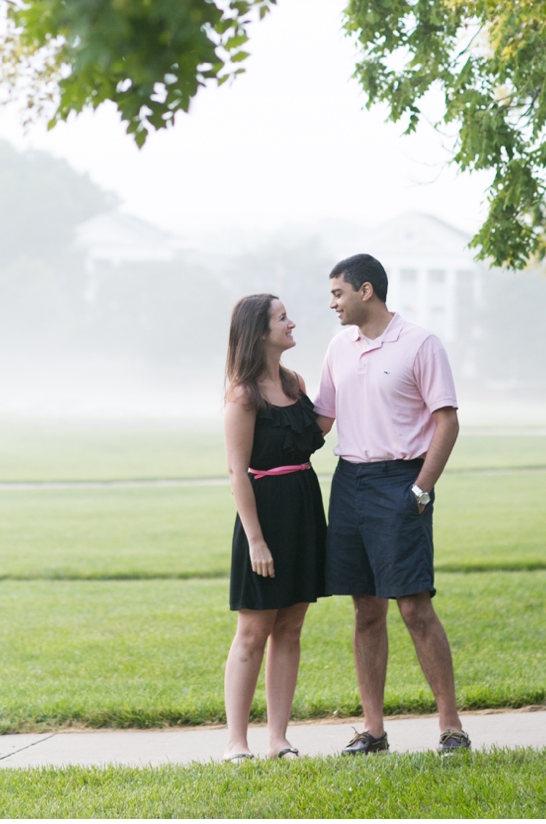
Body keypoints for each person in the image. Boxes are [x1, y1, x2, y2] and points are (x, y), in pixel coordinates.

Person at [314, 253, 471, 755]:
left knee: (414, 607)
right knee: (365, 610)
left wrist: (421, 489)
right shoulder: (339, 347)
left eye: (337, 293)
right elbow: (321, 421)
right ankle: (374, 730)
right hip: (350, 484)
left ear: (365, 291)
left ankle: (451, 728)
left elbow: (446, 421)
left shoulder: (420, 343)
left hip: (401, 482)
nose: (331, 303)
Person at [222, 293, 328, 762]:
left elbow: (309, 436)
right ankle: (236, 743)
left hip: (305, 509)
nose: (292, 323)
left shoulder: (295, 382)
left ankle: (278, 739)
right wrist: (256, 541)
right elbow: (236, 471)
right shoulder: (243, 394)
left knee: (291, 628)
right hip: (263, 518)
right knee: (253, 630)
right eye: (283, 317)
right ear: (259, 332)